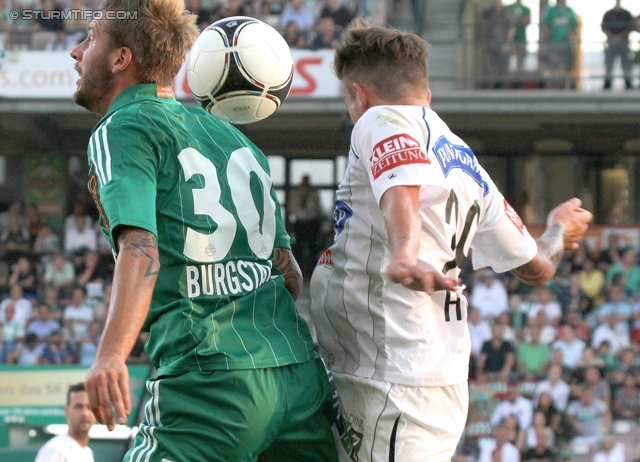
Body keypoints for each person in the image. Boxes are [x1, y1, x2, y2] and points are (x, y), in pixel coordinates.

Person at [309, 21, 592, 462]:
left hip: (391, 380)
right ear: (428, 95)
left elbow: (400, 181)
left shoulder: (379, 118)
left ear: (358, 95)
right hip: (419, 379)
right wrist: (556, 229)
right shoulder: (466, 164)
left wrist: (405, 251)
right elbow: (537, 266)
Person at [70, 2, 338, 461]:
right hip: (298, 377)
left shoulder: (121, 126)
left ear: (121, 59)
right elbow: (289, 274)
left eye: (90, 38)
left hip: (211, 381)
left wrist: (112, 354)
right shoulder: (237, 139)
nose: (76, 52)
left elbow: (139, 246)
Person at [34, 383, 95, 462]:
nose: (85, 413)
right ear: (67, 411)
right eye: (78, 406)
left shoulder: (87, 453)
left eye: (89, 407)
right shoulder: (56, 449)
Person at [288, 174, 322, 277]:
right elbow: (292, 207)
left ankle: (311, 270)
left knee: (312, 247)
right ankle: (299, 269)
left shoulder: (313, 193)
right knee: (298, 247)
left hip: (311, 222)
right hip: (300, 222)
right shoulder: (296, 193)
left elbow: (317, 207)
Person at [540, 0, 578, 89]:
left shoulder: (569, 11)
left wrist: (572, 36)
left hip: (567, 45)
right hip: (554, 45)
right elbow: (545, 26)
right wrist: (547, 41)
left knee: (568, 69)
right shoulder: (550, 10)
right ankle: (551, 90)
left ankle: (566, 90)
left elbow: (575, 26)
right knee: (553, 69)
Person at [482, 0, 516, 89]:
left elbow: (512, 28)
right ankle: (490, 89)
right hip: (491, 44)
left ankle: (503, 89)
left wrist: (507, 43)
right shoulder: (491, 11)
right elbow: (482, 14)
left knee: (503, 69)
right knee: (491, 68)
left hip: (503, 44)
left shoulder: (507, 12)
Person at [601, 0, 634, 90]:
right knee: (609, 63)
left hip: (624, 42)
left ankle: (628, 82)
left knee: (626, 63)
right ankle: (608, 82)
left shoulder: (626, 14)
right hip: (611, 43)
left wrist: (621, 36)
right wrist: (612, 36)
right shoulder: (608, 14)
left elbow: (630, 26)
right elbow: (604, 27)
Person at [507, 0, 530, 78]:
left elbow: (527, 21)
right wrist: (519, 20)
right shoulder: (509, 8)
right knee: (508, 59)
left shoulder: (526, 9)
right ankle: (506, 81)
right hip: (510, 38)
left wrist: (516, 19)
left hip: (522, 37)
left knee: (521, 61)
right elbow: (508, 20)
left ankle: (519, 80)